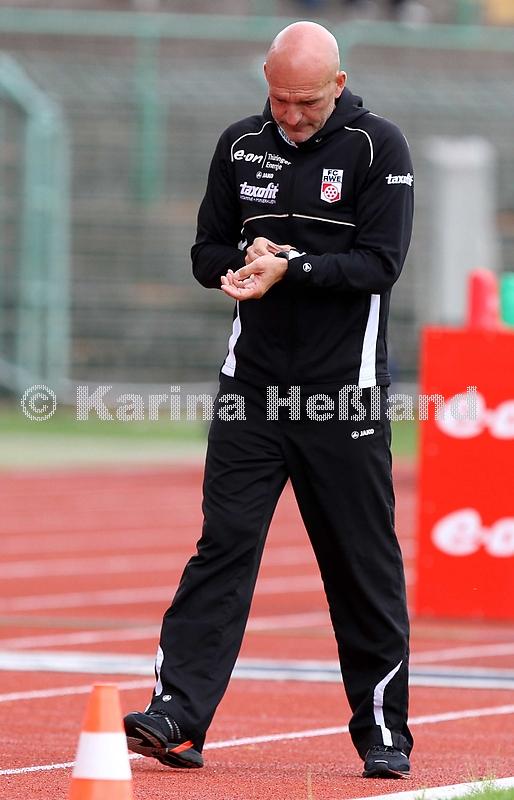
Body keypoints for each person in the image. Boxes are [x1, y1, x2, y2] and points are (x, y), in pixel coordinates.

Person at [124, 21, 414, 779]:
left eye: (308, 101)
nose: (293, 115)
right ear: (266, 81)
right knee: (222, 546)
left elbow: (380, 264)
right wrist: (241, 262)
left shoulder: (379, 148)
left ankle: (384, 733)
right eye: (282, 99)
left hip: (341, 397)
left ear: (339, 85)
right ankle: (176, 717)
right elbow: (205, 252)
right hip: (249, 392)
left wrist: (294, 267)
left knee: (359, 563)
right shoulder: (239, 145)